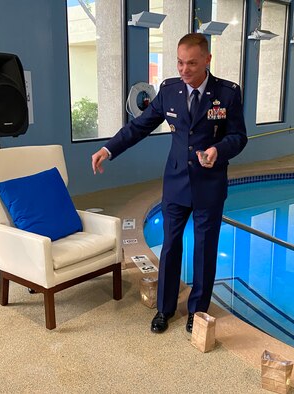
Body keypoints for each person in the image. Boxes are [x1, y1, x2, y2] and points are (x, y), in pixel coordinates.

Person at [92, 33, 247, 334]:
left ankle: (197, 310)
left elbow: (238, 137)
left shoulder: (228, 93)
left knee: (204, 250)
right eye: (179, 62)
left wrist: (219, 150)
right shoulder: (169, 90)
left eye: (191, 63)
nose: (184, 69)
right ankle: (165, 309)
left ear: (207, 60)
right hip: (176, 183)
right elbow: (139, 127)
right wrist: (108, 149)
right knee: (170, 246)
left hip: (209, 184)